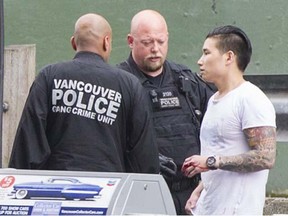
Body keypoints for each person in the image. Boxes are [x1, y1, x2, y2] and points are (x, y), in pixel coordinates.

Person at [8, 13, 159, 174]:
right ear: (106, 42)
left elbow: (27, 146)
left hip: (54, 190)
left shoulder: (48, 76)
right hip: (110, 192)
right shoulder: (129, 84)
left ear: (74, 43)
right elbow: (144, 158)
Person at [117, 10, 215, 215]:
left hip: (191, 195)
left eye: (160, 42)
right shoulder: (118, 83)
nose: (155, 49)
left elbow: (219, 128)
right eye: (147, 42)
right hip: (142, 195)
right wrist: (145, 160)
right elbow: (106, 142)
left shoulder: (187, 82)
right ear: (130, 41)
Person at [182, 25, 277, 215]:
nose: (200, 61)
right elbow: (223, 152)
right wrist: (200, 189)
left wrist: (209, 161)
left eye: (207, 53)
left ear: (228, 57)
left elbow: (266, 156)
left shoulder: (250, 98)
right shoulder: (214, 99)